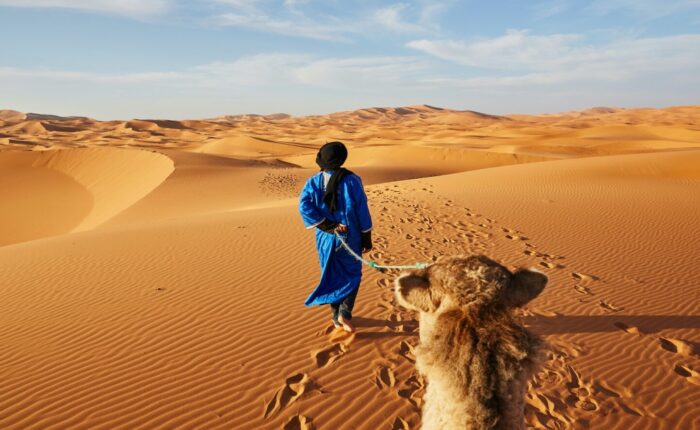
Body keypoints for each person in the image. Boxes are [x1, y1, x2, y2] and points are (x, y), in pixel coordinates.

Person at [299, 141, 373, 333]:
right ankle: (344, 314)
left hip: (325, 239)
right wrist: (367, 237)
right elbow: (361, 210)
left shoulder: (313, 182)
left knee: (332, 274)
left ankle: (335, 317)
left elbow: (304, 207)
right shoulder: (352, 180)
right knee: (352, 275)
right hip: (350, 237)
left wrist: (326, 225)